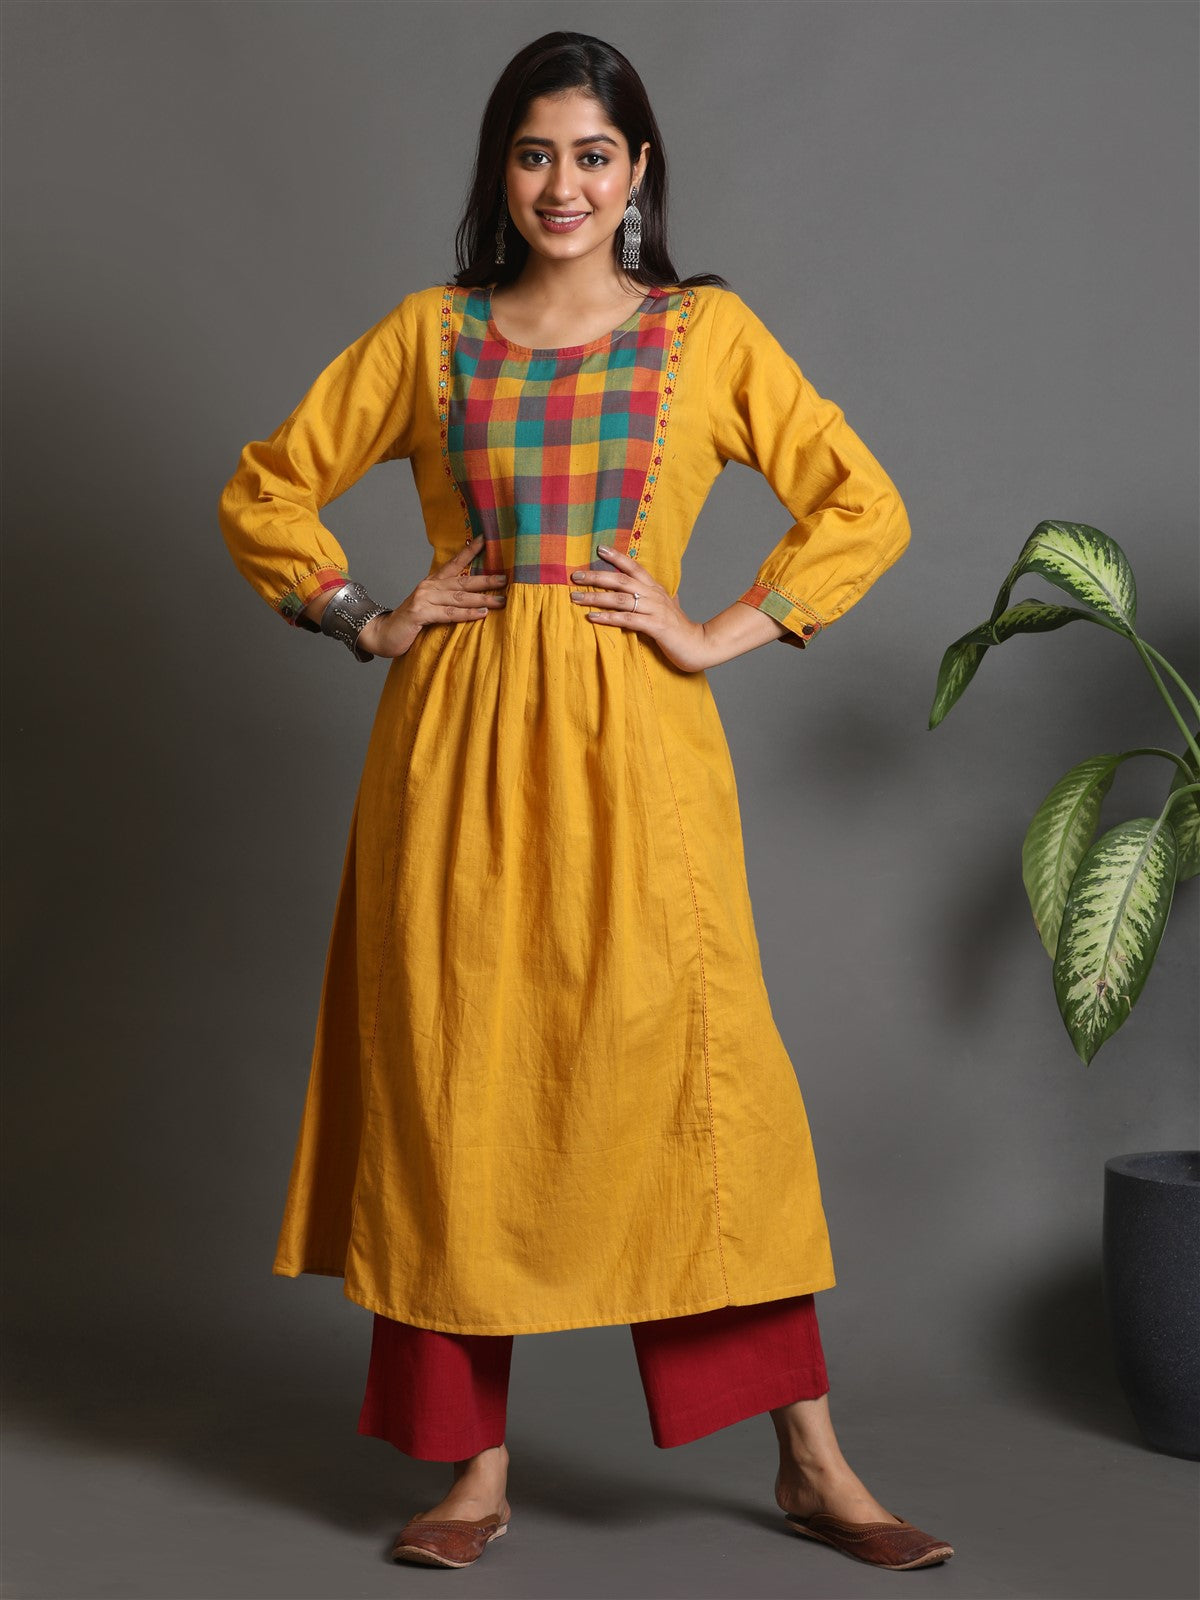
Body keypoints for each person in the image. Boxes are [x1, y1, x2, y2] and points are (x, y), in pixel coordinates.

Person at [218, 29, 953, 1576]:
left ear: (639, 172)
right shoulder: (432, 335)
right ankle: (472, 1477)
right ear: (502, 167)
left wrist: (715, 631)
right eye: (538, 151)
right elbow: (267, 488)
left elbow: (859, 504)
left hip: (642, 756)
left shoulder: (707, 335)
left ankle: (812, 1465)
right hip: (452, 757)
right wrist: (365, 613)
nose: (566, 182)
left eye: (596, 153)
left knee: (706, 1100)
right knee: (457, 1090)